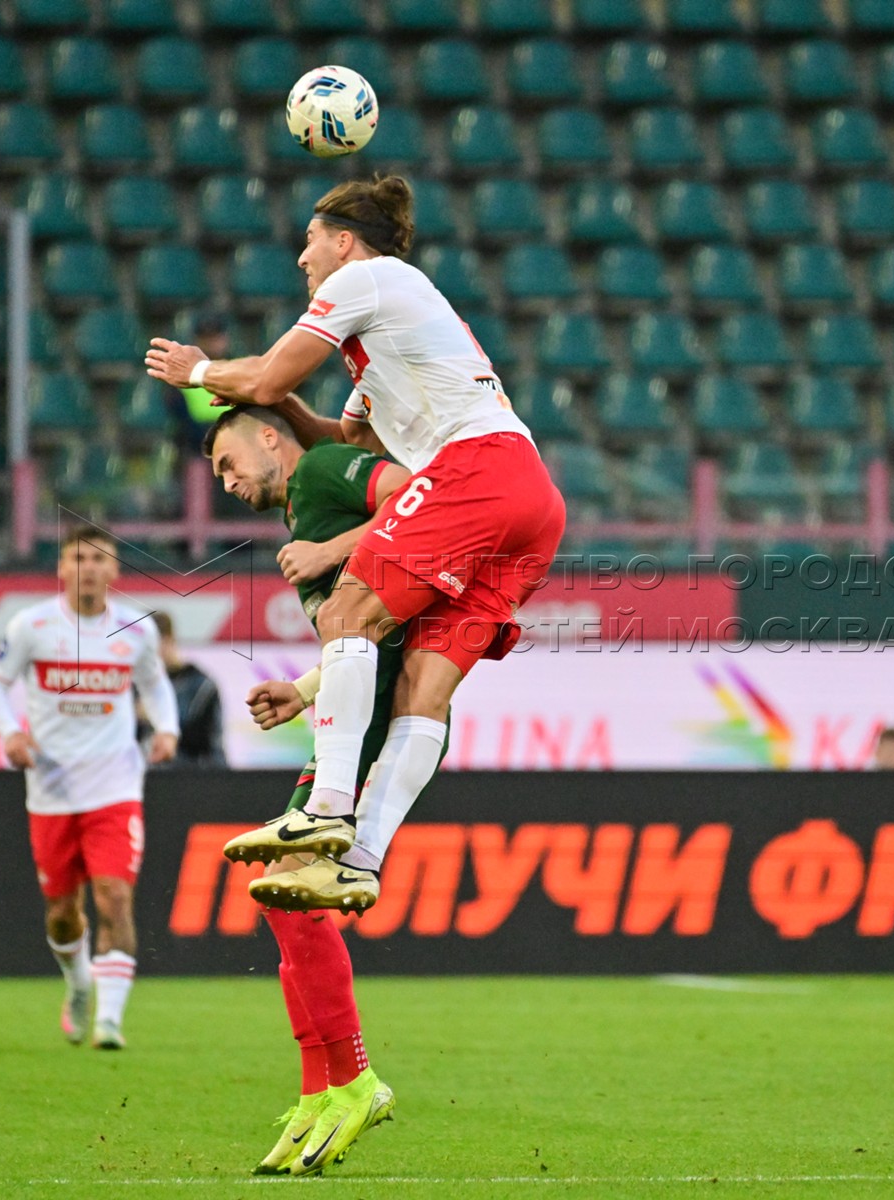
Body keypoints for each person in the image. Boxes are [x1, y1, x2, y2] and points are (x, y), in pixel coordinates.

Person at [144, 173, 565, 913]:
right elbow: (344, 437)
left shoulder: (364, 280)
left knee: (347, 614)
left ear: (344, 241)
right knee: (421, 688)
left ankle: (327, 809)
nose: (302, 258)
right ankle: (361, 859)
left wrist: (198, 372)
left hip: (475, 467)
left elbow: (266, 375)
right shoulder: (390, 330)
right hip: (531, 498)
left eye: (310, 241)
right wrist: (282, 404)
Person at [205, 404, 415, 1175]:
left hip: (383, 708)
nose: (227, 482)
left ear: (269, 437)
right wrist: (301, 688)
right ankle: (319, 1090)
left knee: (287, 886)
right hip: (353, 706)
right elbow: (367, 625)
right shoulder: (304, 507)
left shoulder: (324, 470)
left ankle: (354, 1081)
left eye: (229, 462)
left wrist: (328, 548)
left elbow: (421, 496)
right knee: (282, 892)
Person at [0, 524, 179, 1050]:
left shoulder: (137, 629)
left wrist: (167, 729)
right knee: (63, 913)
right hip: (51, 788)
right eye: (77, 558)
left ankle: (110, 1021)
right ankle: (78, 984)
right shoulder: (32, 626)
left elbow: (155, 685)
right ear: (61, 568)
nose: (88, 568)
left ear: (114, 570)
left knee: (114, 896)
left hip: (115, 783)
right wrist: (11, 732)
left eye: (98, 559)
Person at [145, 610, 225, 767]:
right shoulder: (140, 685)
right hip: (150, 775)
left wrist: (154, 716)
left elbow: (204, 740)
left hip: (193, 773)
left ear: (167, 641)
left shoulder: (201, 687)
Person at [164, 312, 233, 453]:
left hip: (235, 439)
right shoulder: (184, 373)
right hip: (197, 444)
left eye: (215, 337)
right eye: (205, 338)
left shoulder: (238, 370)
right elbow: (181, 419)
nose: (211, 343)